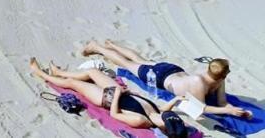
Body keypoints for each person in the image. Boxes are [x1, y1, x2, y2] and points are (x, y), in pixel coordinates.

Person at [82, 39, 251, 119]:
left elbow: (222, 102)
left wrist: (236, 110)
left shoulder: (219, 80)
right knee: (128, 64)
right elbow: (201, 107)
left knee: (141, 60)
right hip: (161, 77)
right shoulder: (198, 82)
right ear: (223, 74)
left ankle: (112, 45)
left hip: (174, 71)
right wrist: (228, 111)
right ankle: (97, 47)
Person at [28, 58, 190, 136]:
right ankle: (58, 72)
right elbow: (162, 109)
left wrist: (118, 93)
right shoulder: (157, 113)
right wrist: (175, 101)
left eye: (166, 118)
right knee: (93, 72)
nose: (167, 115)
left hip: (107, 99)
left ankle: (41, 73)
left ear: (162, 127)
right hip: (118, 91)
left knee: (72, 83)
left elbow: (115, 115)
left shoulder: (142, 121)